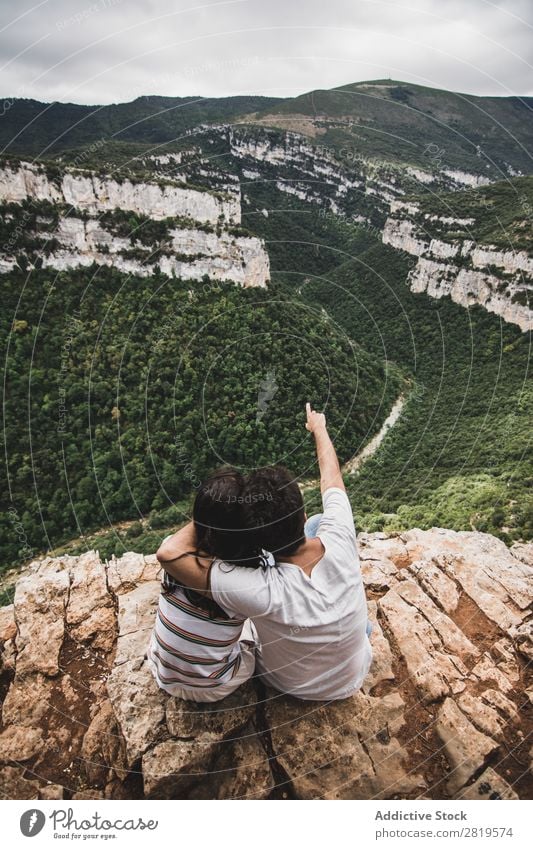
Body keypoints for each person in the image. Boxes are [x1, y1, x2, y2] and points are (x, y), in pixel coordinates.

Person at [157, 403, 372, 701]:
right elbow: (332, 478)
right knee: (323, 523)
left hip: (291, 686)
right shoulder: (341, 537)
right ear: (301, 511)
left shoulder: (258, 589)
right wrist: (319, 429)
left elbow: (168, 554)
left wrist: (214, 510)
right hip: (352, 678)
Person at [147, 467, 261, 702]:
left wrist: (211, 511)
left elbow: (169, 548)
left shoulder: (175, 555)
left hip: (162, 673)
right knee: (253, 643)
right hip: (211, 687)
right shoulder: (243, 580)